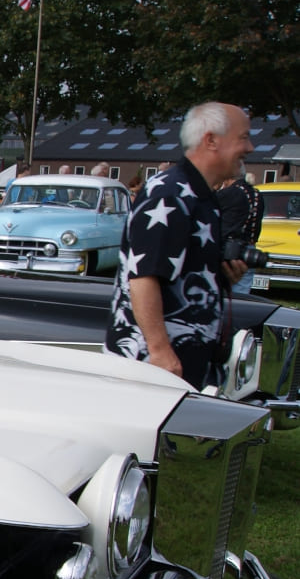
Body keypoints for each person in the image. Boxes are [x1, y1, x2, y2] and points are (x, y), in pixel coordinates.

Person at [105, 102, 253, 387]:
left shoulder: (201, 197)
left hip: (183, 360)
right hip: (155, 368)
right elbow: (144, 277)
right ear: (211, 140)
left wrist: (219, 277)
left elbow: (176, 272)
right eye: (243, 137)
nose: (250, 147)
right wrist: (160, 351)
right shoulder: (170, 195)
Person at [215, 160, 263, 295]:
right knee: (242, 292)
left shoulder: (229, 193)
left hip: (230, 248)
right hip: (250, 248)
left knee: (225, 292)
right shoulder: (257, 194)